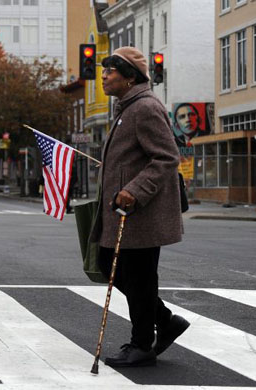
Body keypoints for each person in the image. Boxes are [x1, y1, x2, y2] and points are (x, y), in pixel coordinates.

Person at [91, 46, 190, 368]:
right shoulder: (127, 108)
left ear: (130, 76)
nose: (103, 76)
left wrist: (133, 189)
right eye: (104, 71)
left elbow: (166, 156)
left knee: (140, 278)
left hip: (140, 214)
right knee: (110, 266)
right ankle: (166, 320)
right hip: (125, 214)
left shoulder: (145, 108)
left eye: (110, 71)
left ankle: (141, 344)